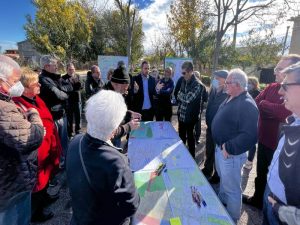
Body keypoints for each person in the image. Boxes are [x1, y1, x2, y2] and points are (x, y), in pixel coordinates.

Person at [67, 90, 140, 225]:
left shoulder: (75, 142)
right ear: (114, 129)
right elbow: (131, 205)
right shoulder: (116, 162)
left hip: (80, 218)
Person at [243, 55, 300, 209]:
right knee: (261, 174)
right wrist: (270, 108)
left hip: (279, 144)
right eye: (276, 68)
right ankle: (257, 199)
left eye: (279, 69)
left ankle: (272, 207)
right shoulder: (271, 87)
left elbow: (284, 113)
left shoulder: (292, 93)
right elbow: (256, 104)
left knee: (279, 181)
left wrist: (266, 106)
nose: (275, 72)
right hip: (263, 139)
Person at [0, 55, 44, 225]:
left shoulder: (7, 102)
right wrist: (33, 114)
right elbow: (33, 137)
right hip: (11, 186)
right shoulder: (4, 109)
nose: (18, 85)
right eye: (15, 80)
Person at [13, 69, 62, 222]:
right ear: (26, 88)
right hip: (36, 154)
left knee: (46, 179)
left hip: (47, 147)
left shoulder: (35, 98)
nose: (40, 84)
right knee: (37, 185)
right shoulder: (19, 104)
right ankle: (36, 213)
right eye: (36, 83)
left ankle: (45, 198)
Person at [211, 69, 258, 223]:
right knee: (224, 183)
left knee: (232, 190)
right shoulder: (232, 96)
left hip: (230, 154)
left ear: (238, 85)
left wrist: (229, 147)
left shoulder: (247, 104)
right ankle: (222, 206)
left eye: (228, 82)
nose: (225, 85)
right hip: (221, 150)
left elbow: (250, 135)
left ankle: (231, 219)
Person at [263, 62, 300, 225]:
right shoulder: (294, 121)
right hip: (272, 197)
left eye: (285, 85)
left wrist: (283, 211)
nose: (279, 91)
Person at [39, 55, 72, 167]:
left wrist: (63, 91)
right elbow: (58, 95)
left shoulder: (55, 77)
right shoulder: (43, 79)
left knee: (64, 141)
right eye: (55, 65)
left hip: (61, 114)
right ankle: (60, 164)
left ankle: (66, 160)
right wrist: (65, 93)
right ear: (47, 66)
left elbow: (70, 87)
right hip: (54, 117)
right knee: (56, 143)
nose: (57, 67)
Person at [202, 70, 228, 184]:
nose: (215, 80)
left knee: (218, 153)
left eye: (218, 78)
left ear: (225, 80)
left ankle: (217, 174)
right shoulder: (213, 90)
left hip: (219, 129)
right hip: (210, 125)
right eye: (215, 78)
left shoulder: (227, 93)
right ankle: (207, 169)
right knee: (209, 149)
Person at [104, 65, 141, 148]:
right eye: (126, 86)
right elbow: (111, 132)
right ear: (118, 84)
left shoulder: (115, 93)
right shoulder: (106, 99)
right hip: (105, 143)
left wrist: (130, 114)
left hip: (115, 138)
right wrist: (129, 126)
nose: (127, 89)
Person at [177, 61, 205, 158]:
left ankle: (191, 158)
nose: (182, 75)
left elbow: (187, 99)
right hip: (182, 115)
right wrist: (182, 96)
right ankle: (181, 156)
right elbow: (178, 94)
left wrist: (182, 96)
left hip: (190, 118)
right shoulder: (184, 80)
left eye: (184, 73)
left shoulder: (198, 84)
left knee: (190, 139)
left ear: (190, 72)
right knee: (181, 139)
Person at [244, 76, 261, 170]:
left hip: (254, 120)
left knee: (252, 142)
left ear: (254, 84)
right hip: (244, 119)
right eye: (247, 82)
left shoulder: (258, 93)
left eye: (250, 83)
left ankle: (249, 161)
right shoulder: (246, 91)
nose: (248, 84)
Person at [62, 63, 83, 137]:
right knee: (69, 118)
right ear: (67, 69)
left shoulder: (77, 76)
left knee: (78, 117)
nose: (72, 71)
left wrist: (75, 85)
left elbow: (81, 86)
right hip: (69, 101)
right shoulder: (63, 78)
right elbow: (65, 89)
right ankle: (70, 133)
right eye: (70, 69)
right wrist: (74, 87)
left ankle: (78, 131)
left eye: (73, 69)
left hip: (77, 100)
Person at [193, 71, 208, 144]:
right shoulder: (188, 84)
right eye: (194, 76)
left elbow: (205, 98)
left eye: (197, 76)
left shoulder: (203, 86)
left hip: (198, 109)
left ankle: (197, 138)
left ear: (199, 77)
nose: (196, 77)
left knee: (197, 124)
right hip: (189, 109)